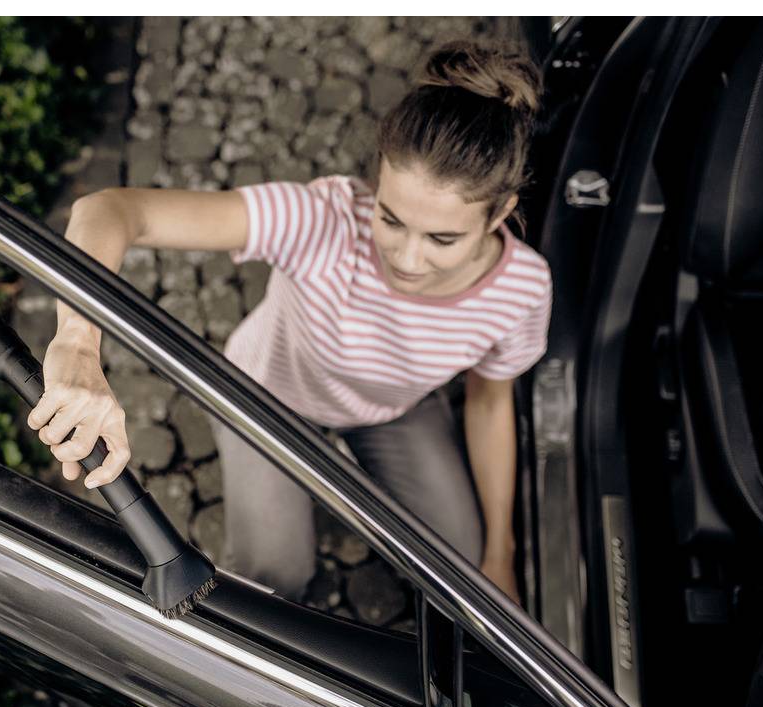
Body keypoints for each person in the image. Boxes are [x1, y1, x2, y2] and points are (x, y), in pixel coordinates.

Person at [27, 41, 551, 605]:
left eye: (442, 239)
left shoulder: (522, 290)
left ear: (500, 214)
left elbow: (490, 401)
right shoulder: (320, 218)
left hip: (394, 411)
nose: (406, 258)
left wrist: (502, 550)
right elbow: (106, 211)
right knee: (273, 586)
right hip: (267, 395)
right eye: (390, 218)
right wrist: (78, 344)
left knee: (466, 575)